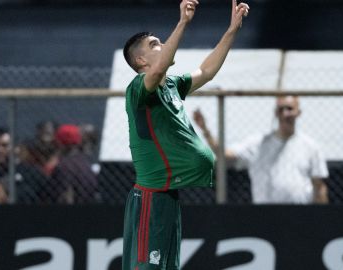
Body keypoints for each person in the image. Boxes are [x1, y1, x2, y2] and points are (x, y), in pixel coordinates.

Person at [121, 0, 249, 269]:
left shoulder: (172, 86)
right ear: (141, 60)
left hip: (168, 196)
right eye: (155, 44)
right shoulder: (138, 89)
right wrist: (183, 23)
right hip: (150, 197)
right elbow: (156, 71)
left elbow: (206, 71)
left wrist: (232, 30)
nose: (163, 45)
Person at [193, 95, 329, 204]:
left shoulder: (311, 147)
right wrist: (206, 130)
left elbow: (319, 186)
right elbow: (224, 154)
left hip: (302, 216)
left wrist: (322, 218)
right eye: (281, 109)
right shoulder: (257, 144)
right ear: (276, 113)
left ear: (298, 112)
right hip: (266, 217)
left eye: (289, 108)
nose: (285, 113)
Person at [49, 124, 98, 204]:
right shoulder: (85, 162)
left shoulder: (65, 166)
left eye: (56, 143)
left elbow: (66, 197)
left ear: (62, 145)